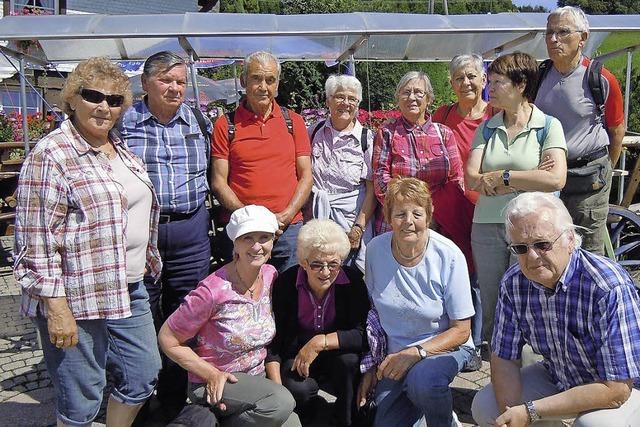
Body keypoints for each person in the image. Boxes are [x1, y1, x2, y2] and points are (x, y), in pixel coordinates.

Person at [13, 57, 161, 427]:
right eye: (93, 96)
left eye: (114, 100)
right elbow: (35, 241)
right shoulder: (52, 154)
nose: (104, 106)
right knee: (82, 396)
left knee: (143, 374)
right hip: (77, 295)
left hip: (129, 287)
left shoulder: (120, 148)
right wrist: (57, 308)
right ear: (73, 99)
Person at [471, 192, 640, 427]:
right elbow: (503, 357)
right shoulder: (514, 282)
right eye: (520, 247)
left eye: (542, 244)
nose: (532, 256)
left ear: (570, 239)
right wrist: (510, 415)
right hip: (560, 374)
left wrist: (530, 411)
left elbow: (617, 389)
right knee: (486, 407)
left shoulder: (608, 285)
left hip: (626, 387)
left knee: (595, 424)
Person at [119, 51, 213, 414]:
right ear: (145, 84)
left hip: (190, 231)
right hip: (143, 233)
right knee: (142, 316)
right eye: (166, 80)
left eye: (180, 81)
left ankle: (174, 401)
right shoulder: (124, 123)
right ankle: (138, 398)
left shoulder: (198, 122)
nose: (175, 88)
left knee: (185, 316)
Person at [158, 205, 300, 427]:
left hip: (256, 380)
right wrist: (211, 374)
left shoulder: (271, 275)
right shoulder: (212, 291)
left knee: (291, 421)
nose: (256, 246)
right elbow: (168, 339)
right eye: (247, 238)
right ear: (235, 243)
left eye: (264, 238)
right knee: (280, 403)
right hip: (215, 380)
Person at [465, 52, 567, 344]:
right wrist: (530, 175)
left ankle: (535, 355)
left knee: (530, 291)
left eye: (497, 82)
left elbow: (555, 179)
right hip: (486, 224)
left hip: (531, 229)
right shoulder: (486, 128)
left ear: (521, 84)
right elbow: (471, 179)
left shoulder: (548, 126)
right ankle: (497, 357)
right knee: (493, 295)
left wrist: (503, 177)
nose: (490, 89)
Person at [357, 177, 475, 427]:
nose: (408, 221)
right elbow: (373, 317)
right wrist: (370, 364)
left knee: (424, 381)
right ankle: (422, 409)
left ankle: (443, 421)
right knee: (384, 422)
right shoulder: (376, 250)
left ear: (429, 216)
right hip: (394, 354)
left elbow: (462, 330)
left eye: (416, 213)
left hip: (444, 347)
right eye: (399, 214)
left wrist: (416, 353)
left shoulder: (449, 255)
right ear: (388, 217)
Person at [372, 71, 475, 298]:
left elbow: (455, 179)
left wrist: (432, 216)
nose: (412, 97)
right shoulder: (387, 133)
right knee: (397, 289)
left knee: (435, 287)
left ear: (428, 98)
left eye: (418, 92)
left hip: (439, 224)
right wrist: (408, 214)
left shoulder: (444, 133)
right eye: (406, 92)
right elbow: (381, 180)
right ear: (398, 98)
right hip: (397, 225)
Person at [535, 6, 625, 255]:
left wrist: (605, 169)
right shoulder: (540, 76)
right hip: (550, 178)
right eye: (549, 32)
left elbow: (617, 130)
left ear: (583, 38)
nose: (554, 39)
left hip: (588, 180)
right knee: (551, 245)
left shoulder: (601, 78)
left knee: (588, 249)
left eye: (563, 32)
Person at [212, 51, 312, 273]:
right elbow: (219, 181)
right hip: (244, 231)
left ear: (277, 84)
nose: (263, 86)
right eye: (256, 78)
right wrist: (252, 220)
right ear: (243, 80)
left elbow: (305, 175)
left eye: (270, 80)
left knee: (289, 294)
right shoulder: (225, 125)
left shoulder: (293, 122)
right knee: (245, 295)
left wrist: (285, 216)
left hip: (287, 230)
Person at [266, 219, 369, 426]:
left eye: (333, 264)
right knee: (297, 390)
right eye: (316, 264)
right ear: (303, 262)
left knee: (349, 363)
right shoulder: (286, 284)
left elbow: (363, 334)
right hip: (297, 355)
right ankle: (314, 413)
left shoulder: (352, 282)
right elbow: (276, 340)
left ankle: (348, 418)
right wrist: (278, 394)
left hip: (337, 352)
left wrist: (319, 342)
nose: (325, 272)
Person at [433, 53, 496, 364]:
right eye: (459, 78)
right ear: (452, 83)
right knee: (459, 274)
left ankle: (487, 339)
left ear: (484, 80)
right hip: (450, 209)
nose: (466, 82)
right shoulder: (442, 115)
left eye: (472, 76)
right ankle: (466, 342)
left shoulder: (497, 115)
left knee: (486, 274)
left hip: (487, 207)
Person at [306, 75, 375, 273]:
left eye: (352, 99)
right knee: (320, 272)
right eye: (339, 97)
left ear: (358, 104)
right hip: (318, 221)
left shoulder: (367, 139)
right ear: (328, 100)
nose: (346, 103)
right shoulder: (313, 132)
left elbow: (371, 191)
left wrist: (358, 229)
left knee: (349, 278)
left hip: (350, 222)